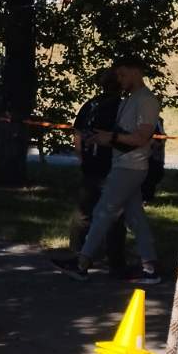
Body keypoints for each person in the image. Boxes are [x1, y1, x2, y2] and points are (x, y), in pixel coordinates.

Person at [53, 54, 164, 284]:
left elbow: (142, 137)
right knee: (135, 217)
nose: (119, 80)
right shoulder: (130, 99)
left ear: (136, 71)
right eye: (118, 75)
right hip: (122, 163)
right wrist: (103, 138)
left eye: (123, 74)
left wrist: (111, 137)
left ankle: (82, 263)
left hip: (131, 166)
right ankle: (150, 267)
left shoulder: (146, 100)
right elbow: (123, 134)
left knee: (104, 211)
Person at [69, 68, 127, 274]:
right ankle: (116, 262)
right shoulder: (122, 108)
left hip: (91, 166)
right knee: (115, 215)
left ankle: (78, 255)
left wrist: (82, 157)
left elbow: (77, 133)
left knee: (84, 213)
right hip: (112, 166)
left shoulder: (91, 105)